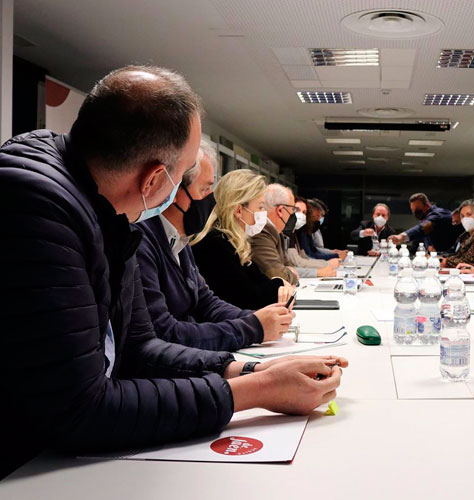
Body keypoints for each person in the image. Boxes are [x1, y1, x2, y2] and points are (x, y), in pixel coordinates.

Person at [0, 65, 346, 478]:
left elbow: (140, 347)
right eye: (184, 176)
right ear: (153, 180)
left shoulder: (109, 210)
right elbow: (79, 410)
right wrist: (257, 391)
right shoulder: (37, 212)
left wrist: (252, 369)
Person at [137, 141, 295, 351]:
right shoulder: (143, 241)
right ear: (173, 190)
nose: (210, 200)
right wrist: (253, 328)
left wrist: (255, 320)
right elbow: (164, 331)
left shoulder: (181, 240)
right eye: (204, 189)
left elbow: (206, 302)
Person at [192, 169, 291, 310]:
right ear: (238, 210)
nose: (263, 214)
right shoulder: (214, 245)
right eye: (260, 207)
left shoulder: (232, 241)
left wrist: (277, 284)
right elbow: (251, 298)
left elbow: (259, 281)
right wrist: (280, 284)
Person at [251, 183, 301, 285]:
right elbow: (278, 275)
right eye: (293, 209)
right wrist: (290, 273)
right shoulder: (261, 230)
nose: (293, 214)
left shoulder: (277, 232)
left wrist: (288, 271)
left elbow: (288, 265)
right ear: (280, 210)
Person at [287, 197, 338, 277]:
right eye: (297, 210)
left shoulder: (296, 232)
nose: (301, 215)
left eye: (304, 212)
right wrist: (325, 265)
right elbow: (297, 262)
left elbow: (304, 257)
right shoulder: (286, 232)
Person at [388, 193, 454, 252]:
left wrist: (401, 237)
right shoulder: (425, 217)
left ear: (427, 206)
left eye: (417, 210)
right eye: (413, 210)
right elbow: (419, 237)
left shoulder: (437, 215)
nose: (415, 213)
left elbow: (421, 229)